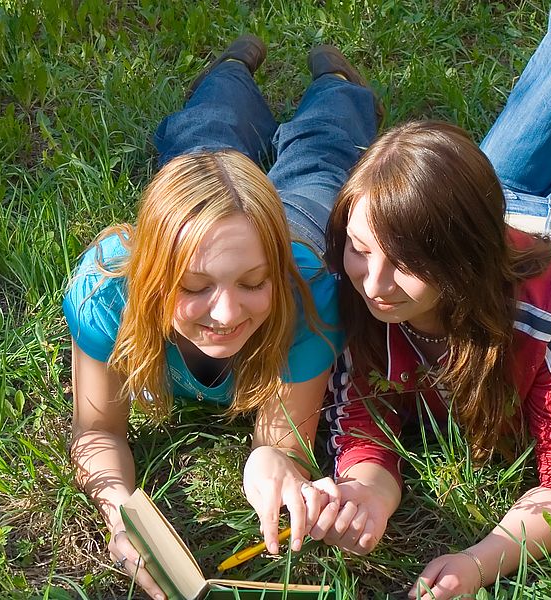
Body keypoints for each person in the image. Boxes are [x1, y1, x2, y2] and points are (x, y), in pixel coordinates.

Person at [321, 0, 551, 597]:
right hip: (481, 209)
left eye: (403, 266)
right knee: (474, 161)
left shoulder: (544, 320)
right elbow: (360, 417)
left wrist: (483, 557)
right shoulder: (365, 282)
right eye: (359, 248)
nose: (372, 285)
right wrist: (366, 490)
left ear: (461, 257)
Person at [63, 36, 380, 600]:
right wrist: (121, 517)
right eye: (194, 286)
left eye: (253, 284)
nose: (227, 313)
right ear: (156, 274)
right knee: (200, 138)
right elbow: (96, 431)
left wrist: (275, 462)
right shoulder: (105, 295)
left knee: (321, 160)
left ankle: (338, 89)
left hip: (295, 226)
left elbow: (282, 443)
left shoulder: (306, 297)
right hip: (215, 220)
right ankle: (230, 71)